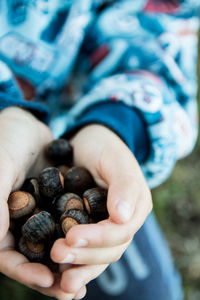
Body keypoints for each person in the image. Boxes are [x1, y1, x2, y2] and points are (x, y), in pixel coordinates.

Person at [0, 1, 199, 299]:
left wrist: (118, 123)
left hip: (82, 128)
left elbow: (157, 34)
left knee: (147, 293)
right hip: (13, 137)